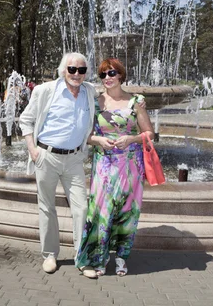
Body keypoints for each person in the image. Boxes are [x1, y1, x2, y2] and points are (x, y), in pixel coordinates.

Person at [19, 52, 98, 278]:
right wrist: (33, 150)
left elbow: (109, 101)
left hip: (74, 159)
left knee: (82, 207)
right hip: (47, 156)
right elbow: (26, 119)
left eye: (81, 70)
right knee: (46, 207)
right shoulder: (45, 91)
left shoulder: (89, 91)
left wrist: (136, 100)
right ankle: (50, 255)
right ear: (63, 70)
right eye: (72, 69)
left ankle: (81, 257)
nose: (76, 74)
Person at [75, 57, 154, 277]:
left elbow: (150, 134)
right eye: (102, 74)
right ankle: (99, 257)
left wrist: (131, 138)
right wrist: (98, 140)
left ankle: (121, 257)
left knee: (127, 211)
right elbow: (87, 136)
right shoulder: (95, 102)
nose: (107, 78)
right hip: (104, 165)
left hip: (130, 165)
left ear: (120, 75)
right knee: (101, 211)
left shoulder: (136, 101)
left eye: (111, 73)